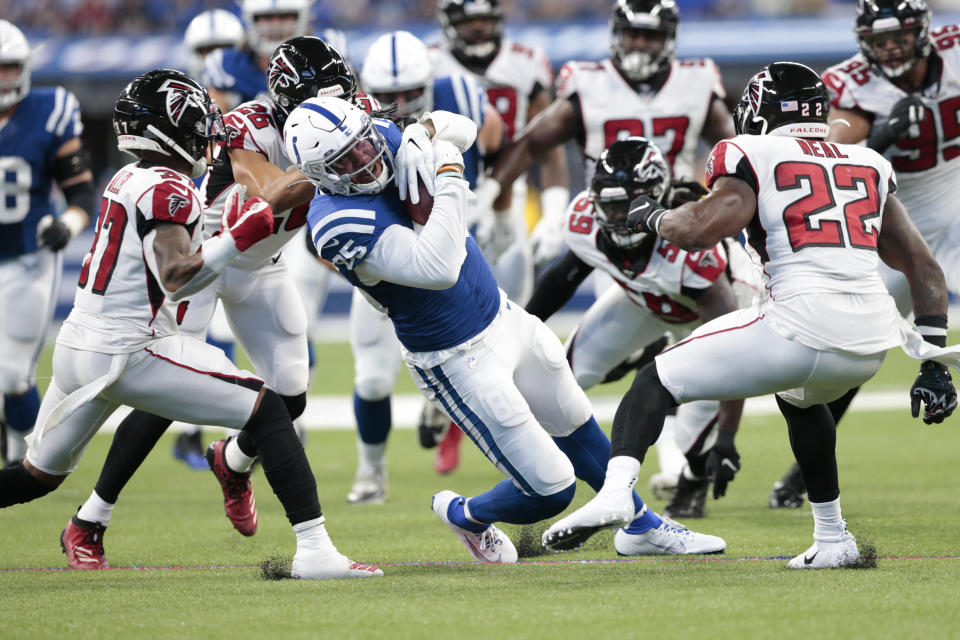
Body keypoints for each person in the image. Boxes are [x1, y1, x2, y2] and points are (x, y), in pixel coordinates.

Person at [541, 62, 959, 569]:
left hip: (797, 324)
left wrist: (650, 213)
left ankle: (614, 493)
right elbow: (922, 266)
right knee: (802, 402)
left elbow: (698, 230)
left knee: (653, 380)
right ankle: (833, 539)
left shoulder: (748, 151)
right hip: (869, 342)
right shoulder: (866, 160)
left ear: (762, 112)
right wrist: (934, 361)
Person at [285, 95, 725, 561]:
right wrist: (449, 172)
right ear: (320, 175)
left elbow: (466, 128)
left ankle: (642, 528)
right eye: (345, 160)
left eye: (362, 143)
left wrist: (424, 132)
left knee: (576, 422)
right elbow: (438, 267)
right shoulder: (335, 221)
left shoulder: (383, 137)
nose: (365, 159)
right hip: (455, 357)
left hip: (501, 313)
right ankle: (464, 513)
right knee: (551, 489)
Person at [0, 69, 380, 580]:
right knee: (265, 412)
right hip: (133, 349)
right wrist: (239, 235)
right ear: (167, 129)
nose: (206, 136)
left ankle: (112, 511)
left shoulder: (127, 177)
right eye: (195, 125)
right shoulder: (172, 187)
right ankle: (315, 551)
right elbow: (178, 276)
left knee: (36, 476)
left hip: (78, 344)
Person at [766, 0, 960, 509]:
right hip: (894, 220)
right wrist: (884, 134)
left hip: (956, 195)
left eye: (899, 37)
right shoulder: (850, 82)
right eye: (879, 40)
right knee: (854, 348)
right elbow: (829, 150)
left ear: (924, 31)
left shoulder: (956, 49)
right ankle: (806, 467)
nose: (890, 48)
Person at [525, 137, 761, 518]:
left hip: (712, 314)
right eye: (610, 206)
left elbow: (729, 354)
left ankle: (694, 481)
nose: (618, 217)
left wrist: (728, 438)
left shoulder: (689, 251)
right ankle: (544, 464)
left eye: (628, 206)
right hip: (647, 300)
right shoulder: (585, 219)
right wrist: (523, 324)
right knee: (564, 374)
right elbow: (565, 277)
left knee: (692, 434)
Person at [334, 30, 505, 501]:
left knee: (489, 357)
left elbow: (490, 140)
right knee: (370, 376)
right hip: (387, 252)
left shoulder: (459, 93)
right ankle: (371, 471)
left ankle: (458, 419)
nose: (401, 102)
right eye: (388, 94)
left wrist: (488, 199)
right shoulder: (347, 121)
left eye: (411, 91)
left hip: (453, 247)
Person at [485, 0, 734, 268]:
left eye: (650, 36)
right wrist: (489, 195)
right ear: (616, 34)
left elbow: (735, 150)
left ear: (669, 38)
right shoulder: (590, 82)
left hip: (677, 218)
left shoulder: (696, 80)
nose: (639, 43)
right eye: (632, 34)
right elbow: (530, 145)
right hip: (611, 224)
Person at [0, 20, 94, 468]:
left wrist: (68, 226)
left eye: (7, 68)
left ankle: (30, 456)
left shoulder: (48, 109)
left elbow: (80, 193)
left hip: (28, 256)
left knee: (12, 374)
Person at [430, 0, 569, 302]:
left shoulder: (524, 61)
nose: (478, 28)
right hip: (441, 193)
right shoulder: (429, 64)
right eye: (468, 22)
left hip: (509, 194)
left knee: (513, 304)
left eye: (484, 20)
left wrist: (553, 216)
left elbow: (547, 148)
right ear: (449, 24)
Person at [174, 7, 248, 470]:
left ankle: (231, 430)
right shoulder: (179, 105)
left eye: (222, 51)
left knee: (234, 333)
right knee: (183, 334)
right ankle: (192, 430)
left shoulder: (249, 102)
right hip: (192, 229)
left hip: (243, 228)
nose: (215, 59)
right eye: (206, 52)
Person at [203, 0, 345, 114]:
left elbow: (350, 109)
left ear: (303, 16)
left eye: (285, 16)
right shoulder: (225, 66)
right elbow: (218, 136)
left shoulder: (328, 50)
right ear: (250, 19)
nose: (275, 26)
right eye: (267, 17)